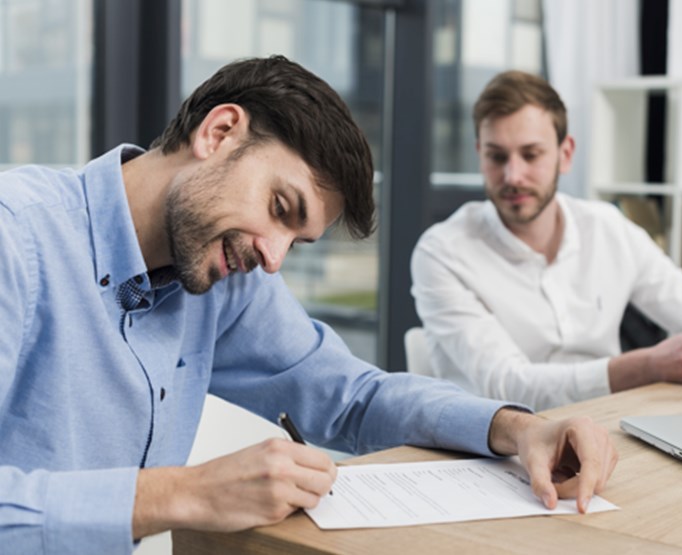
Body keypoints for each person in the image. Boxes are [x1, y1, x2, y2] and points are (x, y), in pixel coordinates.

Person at [0, 56, 617, 554]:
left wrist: (521, 429)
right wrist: (187, 495)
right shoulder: (15, 238)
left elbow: (353, 396)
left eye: (298, 241)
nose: (273, 258)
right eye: (279, 207)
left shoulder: (223, 276)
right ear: (218, 133)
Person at [410, 70, 682, 411]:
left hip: (608, 424)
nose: (513, 175)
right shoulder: (443, 252)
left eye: (531, 154)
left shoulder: (607, 228)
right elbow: (507, 386)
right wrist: (647, 365)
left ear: (566, 153)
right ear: (478, 153)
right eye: (496, 156)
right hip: (491, 449)